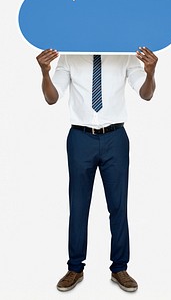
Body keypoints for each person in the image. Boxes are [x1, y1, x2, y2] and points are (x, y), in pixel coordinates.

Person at [36, 48, 158, 292]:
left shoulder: (124, 54)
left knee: (118, 205)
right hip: (80, 138)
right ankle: (75, 268)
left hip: (115, 137)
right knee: (78, 206)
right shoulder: (70, 56)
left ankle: (119, 268)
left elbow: (146, 94)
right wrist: (44, 72)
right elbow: (52, 98)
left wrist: (151, 72)